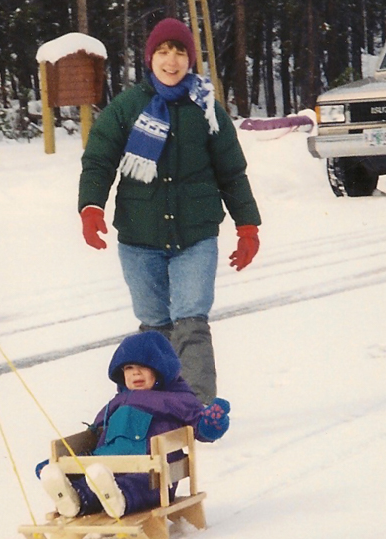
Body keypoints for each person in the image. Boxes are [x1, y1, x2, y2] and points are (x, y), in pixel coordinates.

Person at [78, 17, 262, 406]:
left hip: (195, 234)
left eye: (179, 52)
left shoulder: (208, 110)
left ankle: (197, 409)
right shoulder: (127, 107)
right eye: (163, 51)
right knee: (154, 328)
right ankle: (158, 407)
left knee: (191, 321)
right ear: (150, 58)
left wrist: (248, 226)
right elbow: (98, 160)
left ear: (190, 59)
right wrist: (91, 206)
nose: (172, 60)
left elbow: (232, 171)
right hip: (139, 237)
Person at [36, 331, 230, 519]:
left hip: (155, 473)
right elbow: (94, 435)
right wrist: (64, 461)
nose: (135, 373)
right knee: (94, 478)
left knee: (136, 484)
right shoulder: (117, 402)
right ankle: (73, 498)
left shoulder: (176, 399)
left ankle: (119, 499)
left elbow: (201, 429)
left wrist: (212, 422)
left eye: (143, 366)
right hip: (108, 466)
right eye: (128, 368)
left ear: (161, 369)